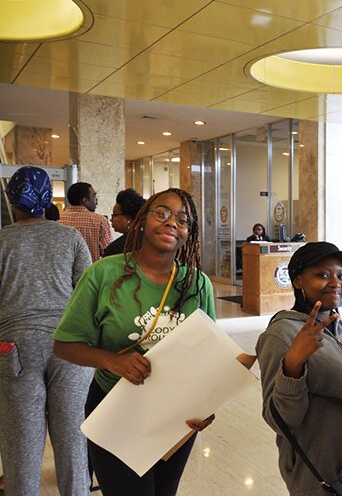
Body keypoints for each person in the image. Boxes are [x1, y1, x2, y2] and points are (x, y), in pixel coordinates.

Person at [52, 188, 216, 496]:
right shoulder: (103, 274)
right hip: (117, 407)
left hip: (175, 414)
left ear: (188, 233)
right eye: (162, 213)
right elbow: (63, 345)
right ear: (141, 221)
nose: (172, 223)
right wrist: (112, 360)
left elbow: (208, 357)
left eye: (183, 219)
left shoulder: (197, 284)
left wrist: (205, 405)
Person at [0, 166, 93, 496]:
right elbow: (87, 292)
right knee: (72, 440)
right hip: (69, 345)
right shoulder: (69, 238)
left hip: (14, 349)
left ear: (13, 201)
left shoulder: (2, 240)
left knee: (20, 446)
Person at [256, 241, 342, 495]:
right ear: (298, 281)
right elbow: (280, 421)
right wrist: (293, 364)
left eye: (341, 275)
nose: (335, 283)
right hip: (316, 473)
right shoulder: (281, 334)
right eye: (322, 275)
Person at [60, 182, 112, 262]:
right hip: (91, 272)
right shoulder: (100, 221)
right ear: (85, 200)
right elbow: (108, 253)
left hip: (64, 273)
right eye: (94, 196)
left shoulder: (57, 220)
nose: (96, 200)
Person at [103, 188, 146, 257]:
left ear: (128, 219)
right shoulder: (150, 241)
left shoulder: (115, 249)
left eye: (115, 215)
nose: (111, 219)